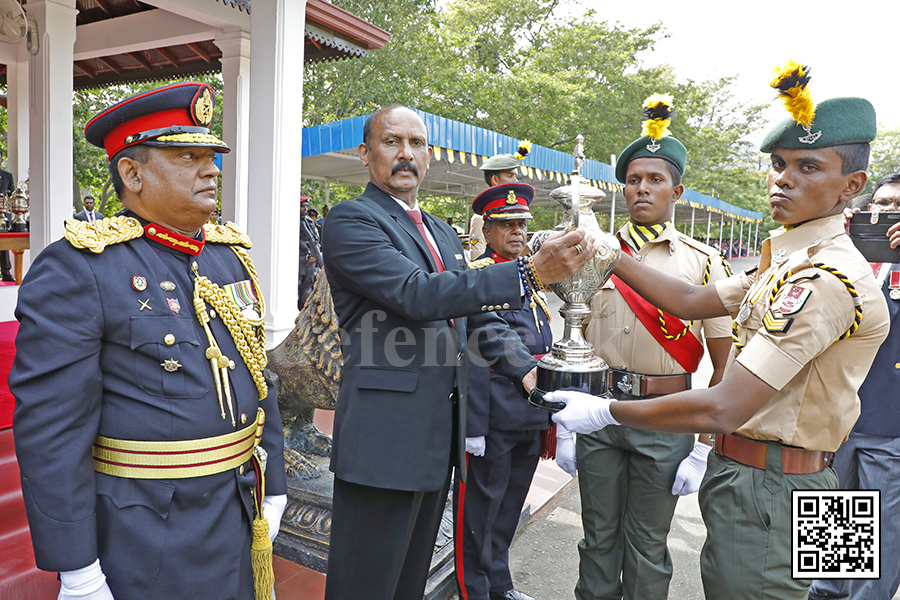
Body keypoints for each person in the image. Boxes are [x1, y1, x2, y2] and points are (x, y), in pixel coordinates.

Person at [548, 65, 890, 599]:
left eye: (808, 166)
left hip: (773, 485)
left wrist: (602, 412)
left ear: (852, 185)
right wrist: (609, 253)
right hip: (802, 476)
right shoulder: (787, 262)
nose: (784, 179)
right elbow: (688, 301)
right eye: (778, 165)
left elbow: (725, 406)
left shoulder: (821, 278)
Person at [9, 81, 287, 600]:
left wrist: (277, 484)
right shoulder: (80, 267)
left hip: (237, 507)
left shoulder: (227, 255)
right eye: (187, 155)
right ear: (131, 173)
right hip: (147, 531)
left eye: (211, 156)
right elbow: (52, 431)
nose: (211, 169)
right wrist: (79, 570)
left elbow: (256, 373)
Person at [320, 104, 596, 600]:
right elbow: (417, 294)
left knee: (408, 581)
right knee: (366, 582)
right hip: (384, 439)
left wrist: (533, 380)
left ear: (428, 155)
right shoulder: (351, 220)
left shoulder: (441, 230)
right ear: (365, 153)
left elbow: (473, 316)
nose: (406, 154)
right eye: (392, 142)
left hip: (435, 438)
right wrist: (530, 274)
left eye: (417, 144)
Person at [564, 94, 733, 600]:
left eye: (655, 179)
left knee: (647, 544)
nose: (642, 188)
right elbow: (575, 336)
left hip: (666, 415)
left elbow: (724, 363)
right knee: (596, 540)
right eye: (634, 179)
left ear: (676, 189)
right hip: (598, 411)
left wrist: (702, 449)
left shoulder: (704, 262)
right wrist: (566, 426)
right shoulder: (590, 252)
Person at [455, 182, 553, 600]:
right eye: (506, 224)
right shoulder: (477, 278)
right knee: (480, 511)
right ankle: (473, 590)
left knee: (509, 508)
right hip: (494, 416)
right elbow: (477, 351)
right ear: (487, 231)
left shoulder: (529, 278)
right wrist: (474, 425)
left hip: (530, 415)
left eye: (522, 225)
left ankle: (499, 585)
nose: (517, 232)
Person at [808, 173, 900, 600]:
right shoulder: (849, 261)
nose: (885, 213)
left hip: (892, 423)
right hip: (840, 416)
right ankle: (825, 592)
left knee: (883, 533)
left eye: (897, 206)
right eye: (879, 203)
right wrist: (837, 243)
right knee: (836, 524)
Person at [470, 142, 530, 257]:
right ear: (495, 180)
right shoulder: (480, 216)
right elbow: (477, 252)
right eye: (510, 176)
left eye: (522, 224)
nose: (516, 181)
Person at [298, 194, 322, 308]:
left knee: (307, 289)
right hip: (299, 262)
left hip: (309, 264)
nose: (305, 209)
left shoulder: (309, 222)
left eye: (306, 206)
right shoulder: (293, 222)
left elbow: (316, 240)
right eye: (302, 206)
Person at [0, 152, 15, 281]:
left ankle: (6, 272)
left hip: (3, 215)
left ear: (1, 160)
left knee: (4, 244)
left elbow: (12, 196)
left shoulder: (7, 176)